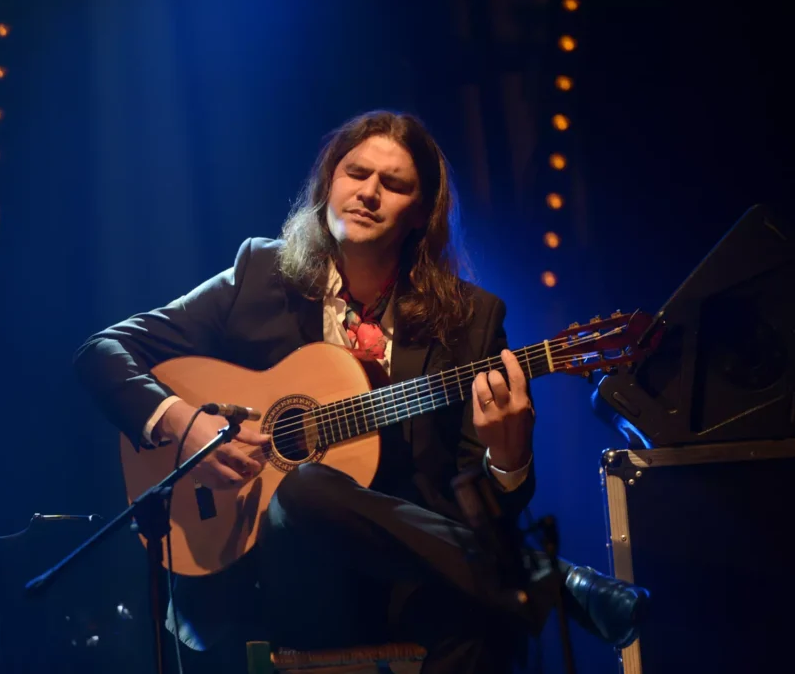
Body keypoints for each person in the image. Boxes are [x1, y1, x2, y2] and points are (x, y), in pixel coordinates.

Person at [73, 110, 648, 673]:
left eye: (393, 184)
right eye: (356, 174)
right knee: (300, 488)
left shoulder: (470, 318)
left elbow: (489, 508)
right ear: (329, 184)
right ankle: (545, 578)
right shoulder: (258, 275)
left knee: (459, 617)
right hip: (272, 578)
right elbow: (102, 352)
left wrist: (509, 456)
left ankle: (528, 581)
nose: (369, 193)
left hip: (408, 590)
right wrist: (184, 422)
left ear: (421, 213)